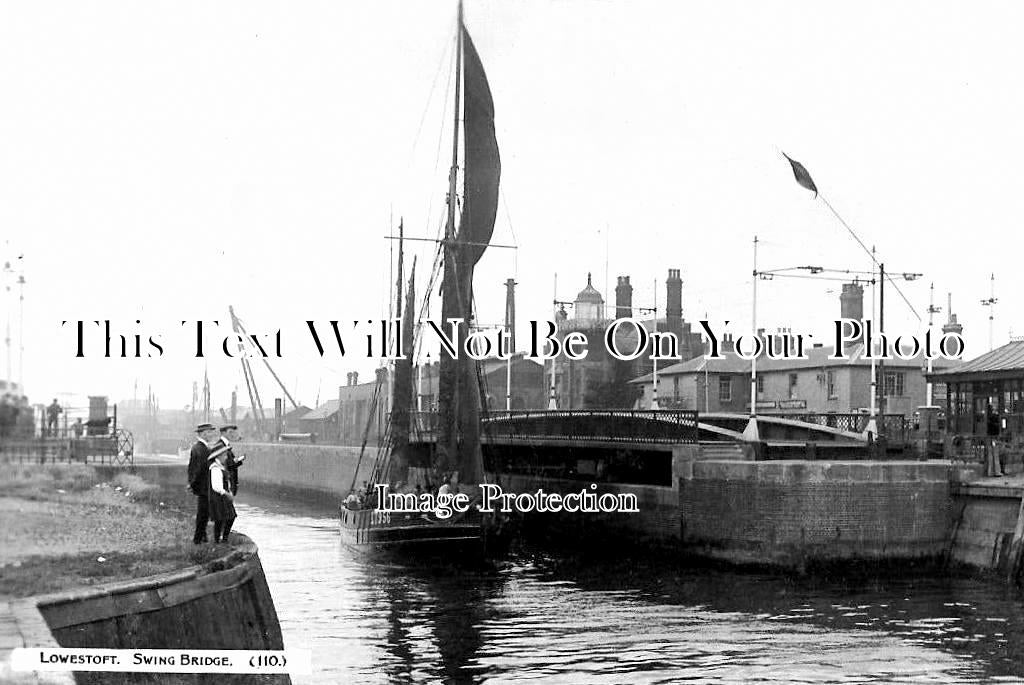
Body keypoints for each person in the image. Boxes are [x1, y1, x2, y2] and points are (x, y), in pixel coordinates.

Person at [187, 423, 218, 544]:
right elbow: (198, 469)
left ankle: (202, 537)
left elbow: (191, 468)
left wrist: (191, 483)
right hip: (204, 487)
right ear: (204, 433)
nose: (211, 434)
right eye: (210, 432)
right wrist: (193, 484)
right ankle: (198, 539)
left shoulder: (198, 447)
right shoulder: (201, 449)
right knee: (203, 514)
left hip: (202, 486)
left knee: (204, 513)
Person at [207, 444, 237, 543]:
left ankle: (223, 539)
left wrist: (229, 491)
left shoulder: (221, 467)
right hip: (218, 497)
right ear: (219, 456)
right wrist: (226, 493)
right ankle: (218, 540)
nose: (226, 457)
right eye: (224, 455)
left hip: (223, 496)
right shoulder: (215, 468)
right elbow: (216, 486)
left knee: (229, 517)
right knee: (220, 519)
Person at [214, 424, 246, 495]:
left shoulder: (225, 445)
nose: (232, 434)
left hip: (228, 483)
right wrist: (237, 461)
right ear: (223, 433)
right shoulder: (220, 446)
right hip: (226, 483)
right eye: (230, 432)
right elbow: (225, 464)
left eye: (233, 432)